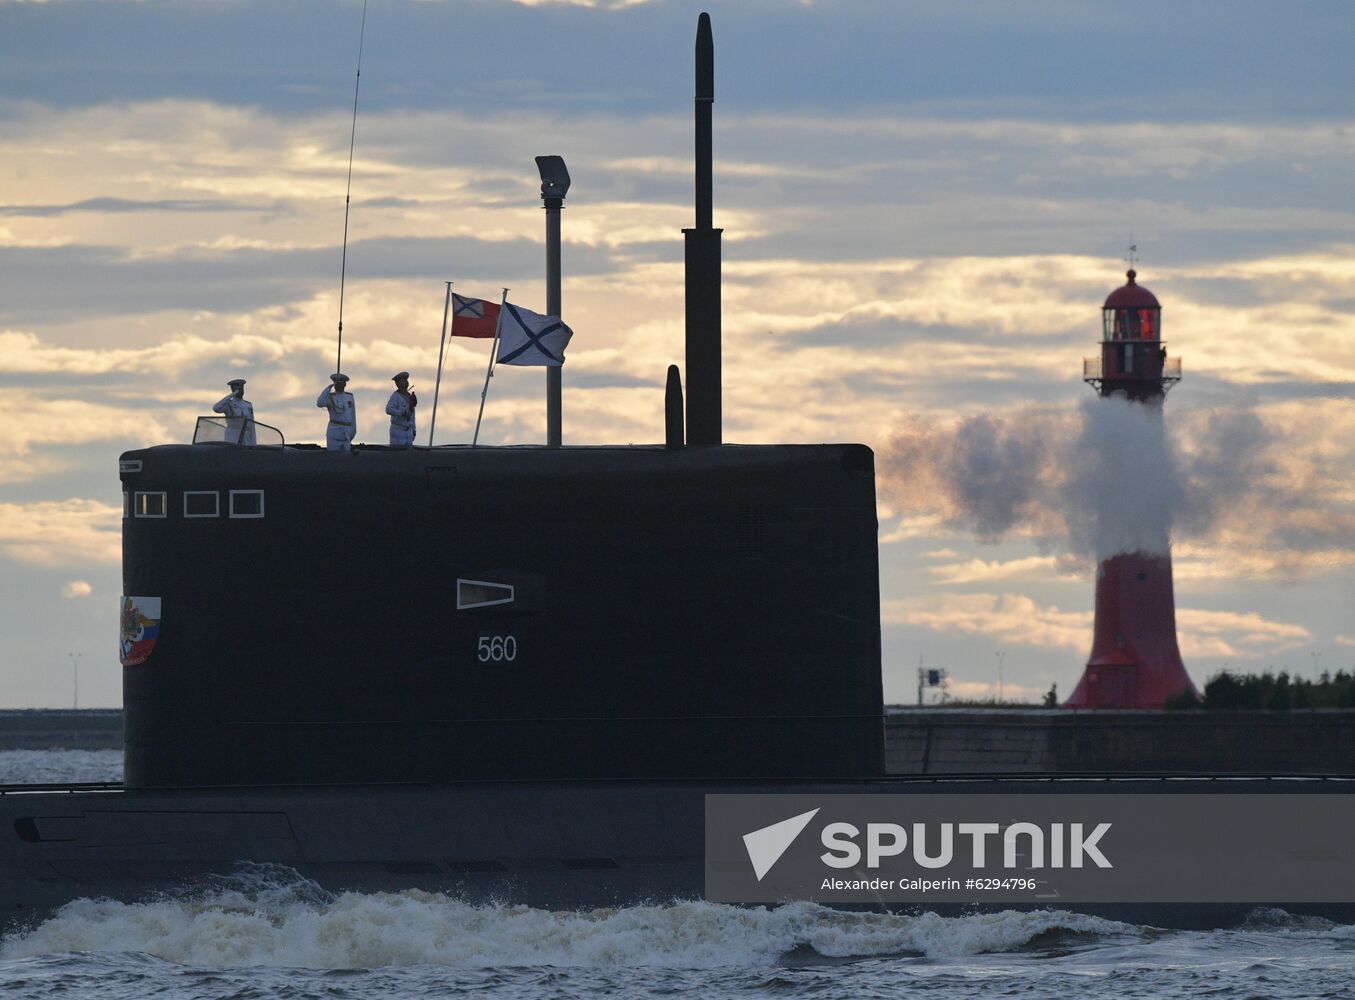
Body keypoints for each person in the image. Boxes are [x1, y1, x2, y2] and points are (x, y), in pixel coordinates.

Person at [317, 373, 357, 451]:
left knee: (345, 458)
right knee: (333, 458)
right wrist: (329, 387)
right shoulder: (330, 397)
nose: (340, 385)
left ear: (345, 384)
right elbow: (320, 403)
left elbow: (353, 417)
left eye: (341, 383)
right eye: (337, 383)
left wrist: (352, 432)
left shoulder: (349, 397)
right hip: (334, 434)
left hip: (346, 433)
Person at [212, 378, 256, 446]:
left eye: (241, 389)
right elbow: (216, 408)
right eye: (238, 389)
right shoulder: (228, 403)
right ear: (233, 389)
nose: (240, 391)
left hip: (246, 440)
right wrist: (230, 396)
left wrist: (253, 444)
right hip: (232, 439)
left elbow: (251, 426)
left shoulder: (248, 405)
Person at [385, 371, 418, 448]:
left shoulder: (410, 397)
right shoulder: (395, 396)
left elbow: (412, 416)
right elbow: (388, 409)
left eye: (406, 380)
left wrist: (413, 430)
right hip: (398, 430)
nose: (405, 382)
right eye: (403, 381)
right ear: (398, 384)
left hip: (408, 431)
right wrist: (401, 412)